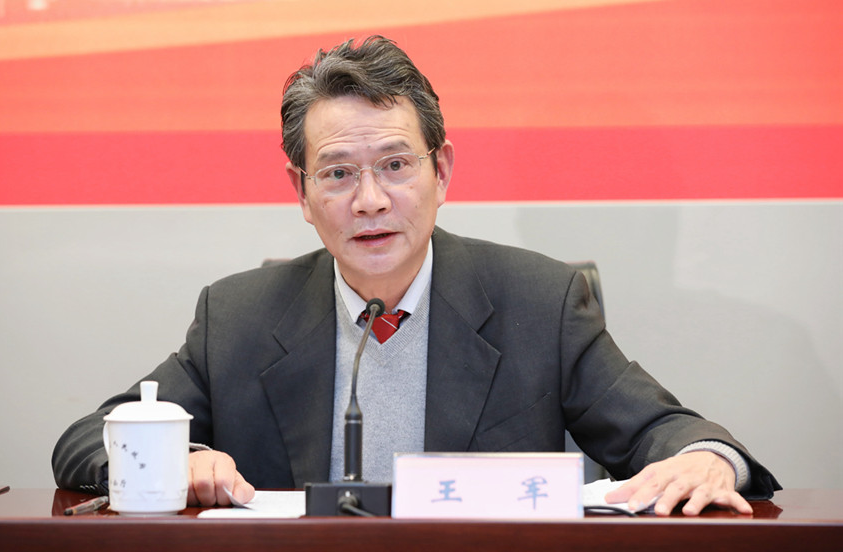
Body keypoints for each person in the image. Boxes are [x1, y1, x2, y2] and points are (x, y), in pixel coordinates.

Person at [52, 35, 779, 516]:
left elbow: (670, 431)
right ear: (301, 193)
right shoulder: (238, 318)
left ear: (443, 172)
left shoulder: (539, 303)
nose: (370, 200)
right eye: (338, 173)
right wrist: (177, 458)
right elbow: (86, 439)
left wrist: (707, 461)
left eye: (396, 165)